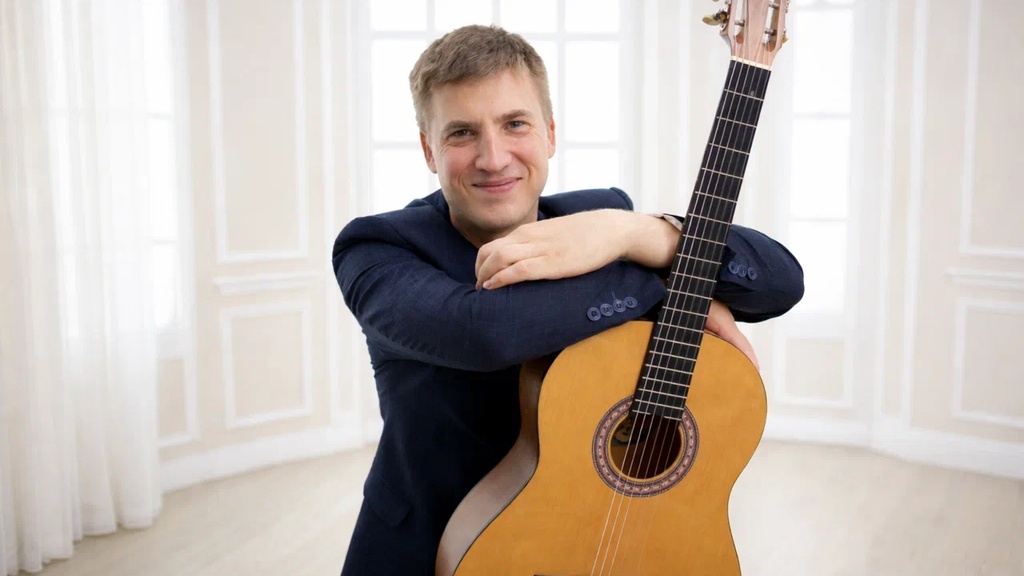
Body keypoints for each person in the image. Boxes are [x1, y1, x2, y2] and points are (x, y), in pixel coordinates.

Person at [332, 24, 803, 575]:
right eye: (461, 133)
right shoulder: (376, 247)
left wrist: (638, 233)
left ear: (550, 134)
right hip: (431, 548)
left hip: (602, 538)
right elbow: (485, 333)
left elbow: (782, 282)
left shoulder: (600, 217)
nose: (493, 157)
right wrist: (661, 278)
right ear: (427, 150)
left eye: (515, 124)